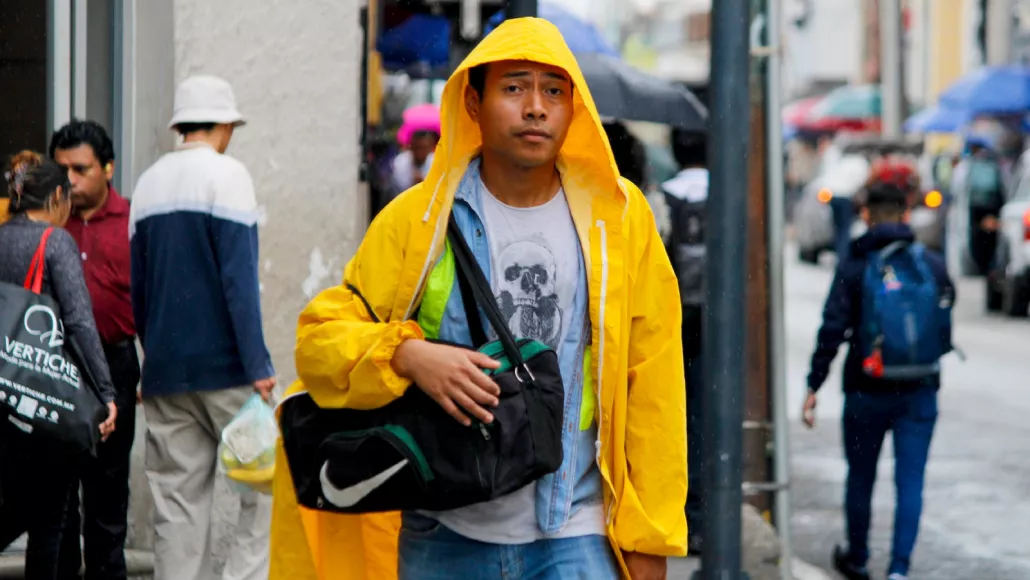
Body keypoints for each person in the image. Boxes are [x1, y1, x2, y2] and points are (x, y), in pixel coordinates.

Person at [269, 17, 687, 580]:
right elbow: (320, 341)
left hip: (576, 532)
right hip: (447, 530)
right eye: (514, 87)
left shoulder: (620, 221)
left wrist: (649, 540)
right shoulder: (419, 219)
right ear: (474, 101)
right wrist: (407, 355)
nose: (535, 106)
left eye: (554, 90)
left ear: (574, 109)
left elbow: (653, 386)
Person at [129, 75, 276, 580]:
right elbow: (239, 281)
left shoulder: (147, 184)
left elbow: (139, 290)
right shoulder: (228, 175)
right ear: (222, 126)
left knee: (177, 507)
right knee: (263, 487)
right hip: (229, 373)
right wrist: (258, 366)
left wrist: (154, 365)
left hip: (167, 375)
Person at [802, 181, 954, 580]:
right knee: (911, 481)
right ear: (906, 214)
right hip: (920, 390)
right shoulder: (931, 263)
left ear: (865, 214)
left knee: (861, 476)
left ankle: (858, 558)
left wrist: (814, 384)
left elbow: (832, 327)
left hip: (866, 388)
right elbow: (944, 329)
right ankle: (899, 569)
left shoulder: (855, 261)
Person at [0, 153, 118, 580]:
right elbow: (80, 322)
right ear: (54, 197)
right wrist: (106, 392)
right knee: (49, 518)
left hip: (3, 400)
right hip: (42, 396)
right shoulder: (55, 241)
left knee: (14, 502)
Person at [49, 120, 140, 580]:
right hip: (55, 367)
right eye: (62, 169)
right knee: (60, 491)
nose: (70, 180)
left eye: (81, 169)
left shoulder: (133, 222)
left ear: (107, 168)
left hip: (116, 362)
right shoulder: (47, 222)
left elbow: (151, 294)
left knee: (107, 489)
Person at [660, 128, 708, 555]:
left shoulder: (665, 197)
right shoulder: (726, 193)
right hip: (719, 316)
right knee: (715, 413)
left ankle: (686, 516)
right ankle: (712, 513)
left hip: (678, 317)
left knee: (681, 414)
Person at [391, 129, 440, 194]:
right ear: (411, 146)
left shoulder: (436, 161)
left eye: (424, 147)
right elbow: (397, 188)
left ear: (430, 147)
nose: (420, 151)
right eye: (417, 147)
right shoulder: (400, 162)